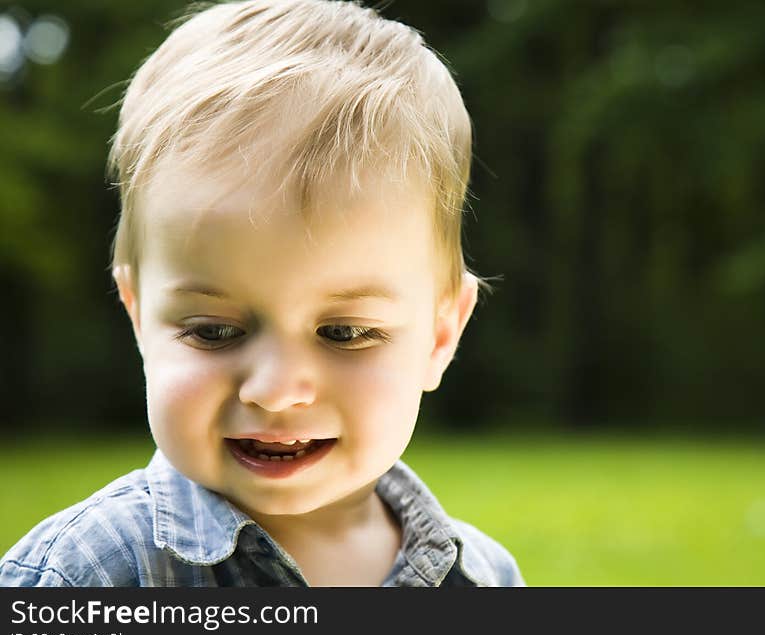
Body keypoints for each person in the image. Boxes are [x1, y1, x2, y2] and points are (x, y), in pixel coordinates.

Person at [0, 0, 524, 587]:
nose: (275, 391)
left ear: (440, 335)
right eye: (214, 331)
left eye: (345, 332)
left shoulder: (484, 579)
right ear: (139, 316)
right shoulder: (89, 576)